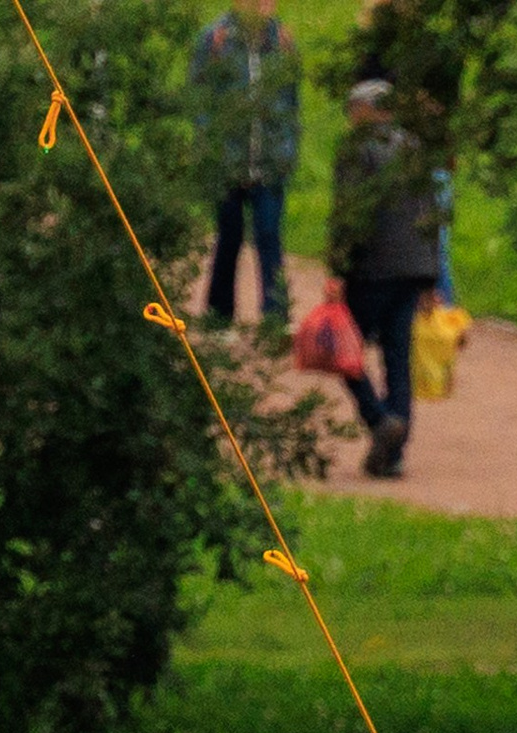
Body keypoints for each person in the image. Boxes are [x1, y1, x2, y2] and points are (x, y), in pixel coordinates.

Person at [327, 79, 439, 480]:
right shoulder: (414, 147)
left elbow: (350, 212)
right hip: (411, 270)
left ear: (367, 109)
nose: (350, 116)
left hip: (371, 268)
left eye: (353, 108)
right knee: (397, 360)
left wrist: (338, 269)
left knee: (343, 352)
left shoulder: (356, 149)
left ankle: (378, 420)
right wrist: (430, 278)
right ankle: (393, 454)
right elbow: (431, 212)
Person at [189, 1, 301, 327]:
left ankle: (275, 317)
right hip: (228, 159)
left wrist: (287, 149)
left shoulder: (282, 41)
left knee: (269, 234)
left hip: (270, 160)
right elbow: (200, 97)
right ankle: (219, 314)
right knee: (230, 235)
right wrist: (211, 145)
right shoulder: (216, 39)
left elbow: (291, 102)